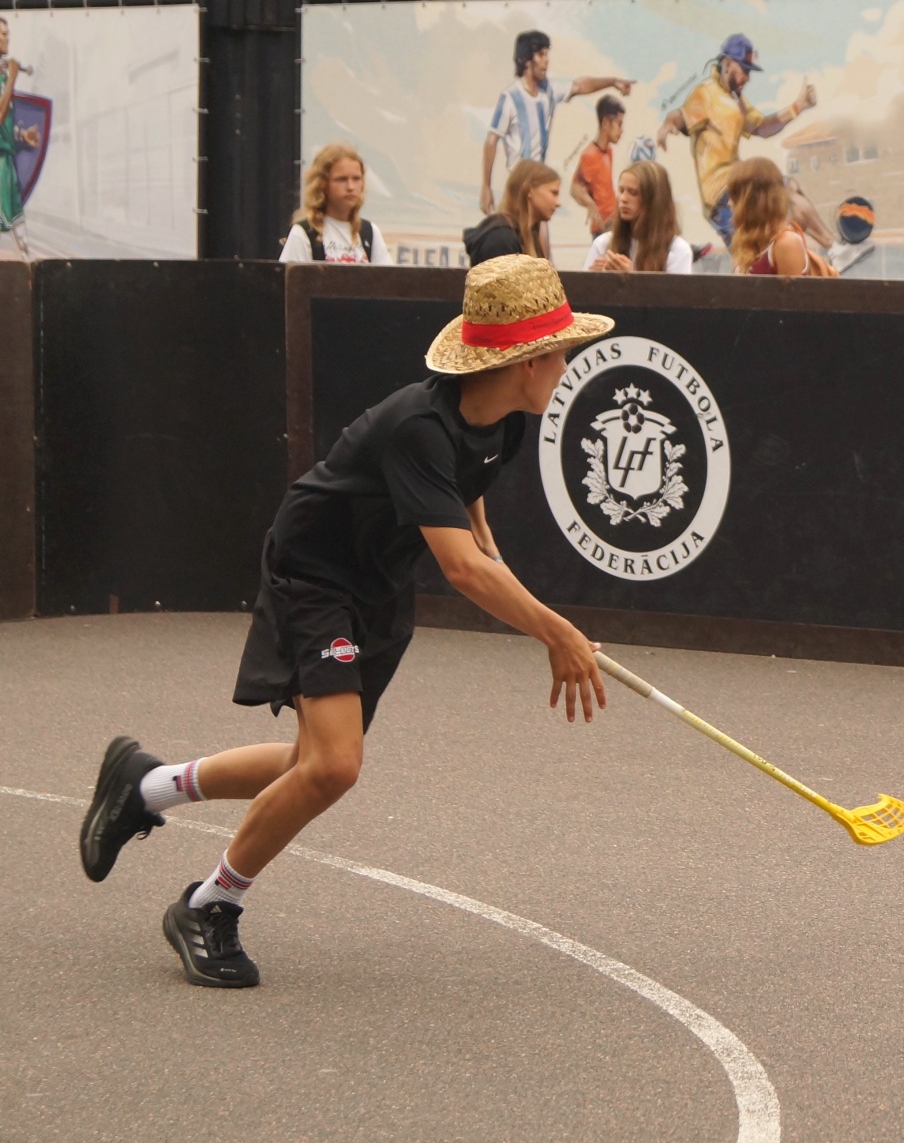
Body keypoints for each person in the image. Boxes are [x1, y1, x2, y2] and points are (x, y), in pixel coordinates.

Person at [77, 255, 615, 987]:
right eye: (560, 353)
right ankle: (209, 905)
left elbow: (467, 497)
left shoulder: (505, 423)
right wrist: (558, 633)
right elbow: (461, 570)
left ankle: (147, 787)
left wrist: (488, 542)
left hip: (379, 585)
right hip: (316, 576)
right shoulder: (418, 426)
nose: (566, 365)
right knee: (334, 765)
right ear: (525, 363)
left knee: (313, 761)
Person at [658, 33, 815, 240]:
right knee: (751, 252)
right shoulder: (706, 93)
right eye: (744, 71)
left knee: (789, 189)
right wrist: (669, 123)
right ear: (728, 64)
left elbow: (762, 127)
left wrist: (798, 106)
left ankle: (832, 246)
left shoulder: (736, 101)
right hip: (721, 198)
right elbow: (681, 116)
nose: (747, 79)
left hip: (737, 185)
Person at [481, 30, 634, 215]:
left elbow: (579, 86)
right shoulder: (511, 97)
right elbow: (491, 140)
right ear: (526, 60)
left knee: (540, 231)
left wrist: (613, 82)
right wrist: (486, 186)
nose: (546, 60)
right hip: (518, 184)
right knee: (515, 227)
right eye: (541, 55)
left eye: (547, 54)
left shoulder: (549, 90)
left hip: (538, 182)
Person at [279, 143, 392, 264]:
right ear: (322, 184)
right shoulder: (303, 233)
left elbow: (388, 274)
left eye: (356, 179)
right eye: (341, 179)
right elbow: (288, 275)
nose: (350, 187)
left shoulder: (370, 232)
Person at [730, 157, 835, 276]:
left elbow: (792, 288)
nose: (729, 203)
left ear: (752, 200)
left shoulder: (786, 243)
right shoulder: (745, 240)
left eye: (735, 196)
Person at [585, 159, 692, 274]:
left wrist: (632, 279)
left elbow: (676, 287)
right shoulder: (603, 244)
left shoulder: (677, 250)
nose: (623, 199)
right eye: (621, 190)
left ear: (654, 200)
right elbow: (578, 285)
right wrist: (593, 279)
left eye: (633, 193)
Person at [0, 17, 45, 259]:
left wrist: (22, 135)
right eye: (2, 34)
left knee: (17, 219)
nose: (7, 39)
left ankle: (28, 264)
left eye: (8, 34)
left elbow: (4, 125)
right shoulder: (5, 79)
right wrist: (13, 79)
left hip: (5, 158)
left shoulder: (2, 76)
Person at [464, 159, 561, 266]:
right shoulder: (501, 238)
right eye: (554, 193)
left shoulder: (529, 235)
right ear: (529, 190)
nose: (558, 203)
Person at [571, 94, 626, 238]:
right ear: (606, 123)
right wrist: (591, 204)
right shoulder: (589, 155)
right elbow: (575, 188)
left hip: (614, 223)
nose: (622, 130)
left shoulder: (608, 151)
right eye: (619, 124)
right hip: (602, 228)